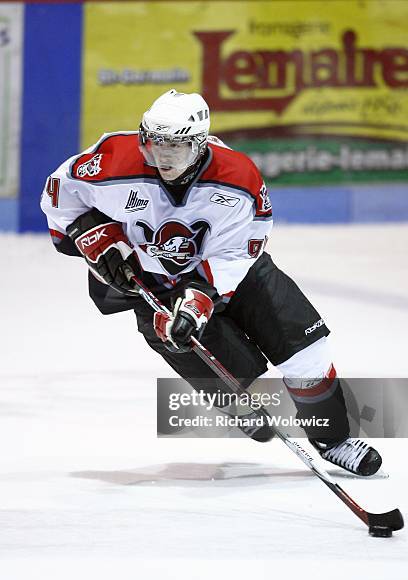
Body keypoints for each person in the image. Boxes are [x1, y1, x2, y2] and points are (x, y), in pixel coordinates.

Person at [40, 89, 381, 476]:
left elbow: (237, 254)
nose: (161, 156)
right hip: (154, 281)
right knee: (221, 368)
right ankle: (238, 405)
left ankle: (333, 439)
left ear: (199, 144)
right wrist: (93, 232)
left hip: (234, 271)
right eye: (153, 144)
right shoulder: (114, 160)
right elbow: (58, 196)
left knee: (307, 353)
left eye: (174, 148)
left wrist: (200, 298)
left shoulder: (237, 178)